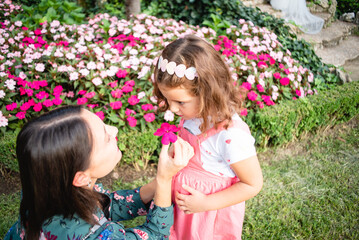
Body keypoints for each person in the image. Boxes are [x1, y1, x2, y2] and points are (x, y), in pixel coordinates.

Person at [5, 105, 194, 240]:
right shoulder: (95, 236)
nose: (114, 129)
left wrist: (161, 179)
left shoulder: (45, 187)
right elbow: (156, 235)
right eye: (105, 137)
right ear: (81, 177)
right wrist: (163, 179)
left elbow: (106, 206)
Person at [152, 35, 263, 240]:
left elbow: (252, 184)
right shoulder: (194, 114)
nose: (172, 108)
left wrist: (205, 204)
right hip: (184, 209)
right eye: (167, 99)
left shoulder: (230, 135)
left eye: (180, 102)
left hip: (206, 217)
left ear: (207, 93)